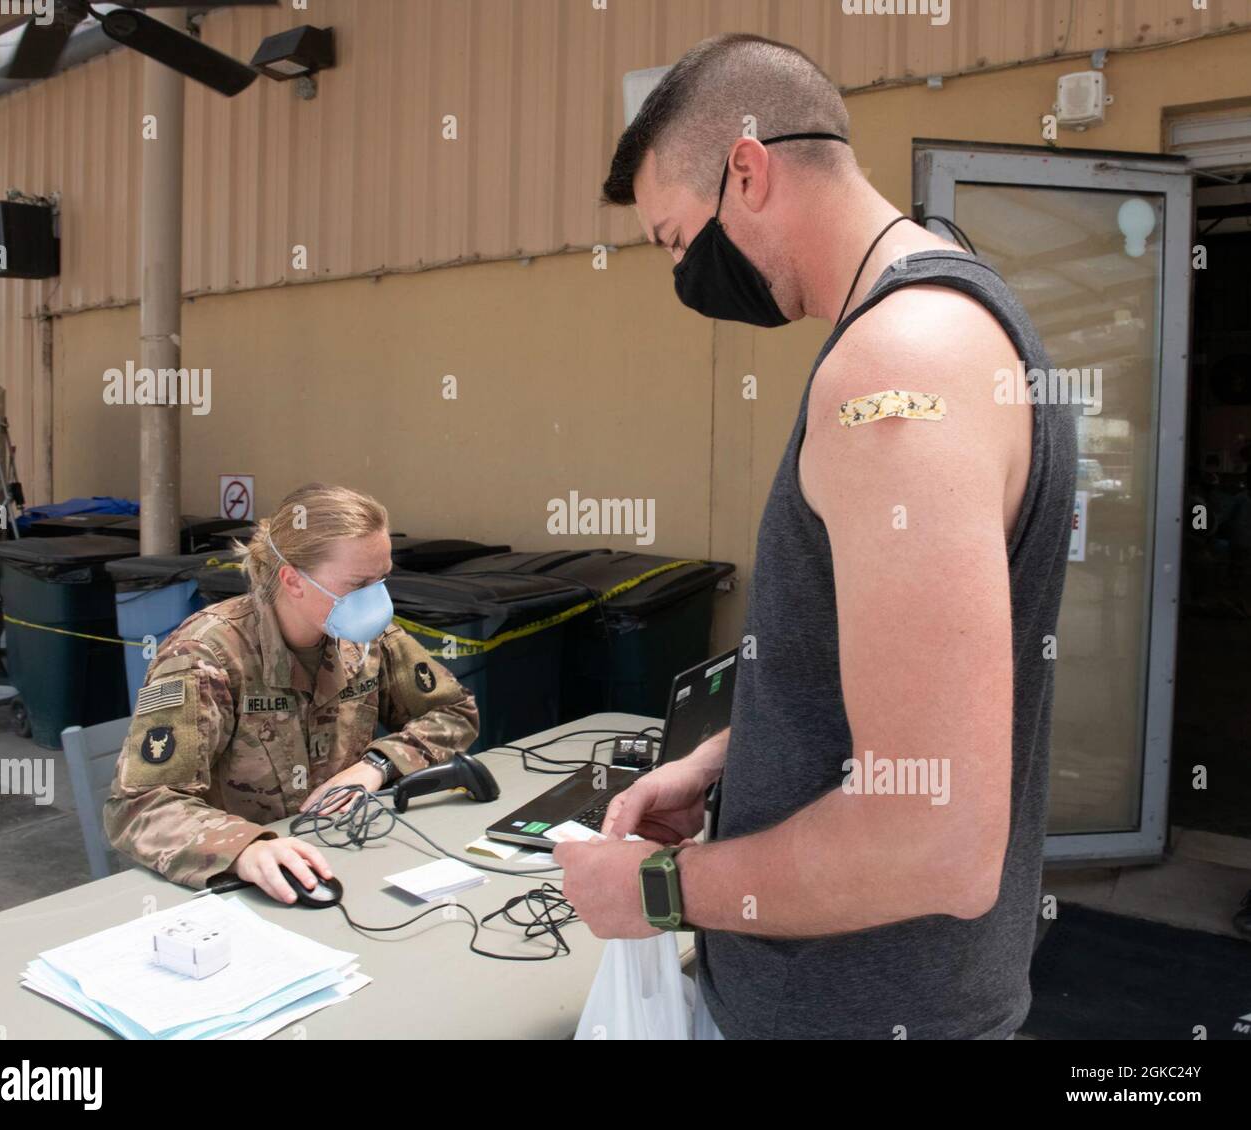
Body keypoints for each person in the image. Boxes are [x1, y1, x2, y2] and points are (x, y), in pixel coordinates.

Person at [553, 33, 1078, 1040]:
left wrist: (657, 889)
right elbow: (900, 698)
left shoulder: (896, 365)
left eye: (674, 238)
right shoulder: (955, 311)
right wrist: (724, 761)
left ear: (745, 169)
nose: (683, 276)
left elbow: (930, 837)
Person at [104, 483, 478, 904]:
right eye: (359, 584)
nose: (377, 599)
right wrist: (245, 849)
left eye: (383, 579)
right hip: (242, 888)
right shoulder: (205, 656)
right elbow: (140, 808)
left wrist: (378, 765)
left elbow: (453, 712)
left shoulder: (369, 638)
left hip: (343, 853)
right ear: (292, 581)